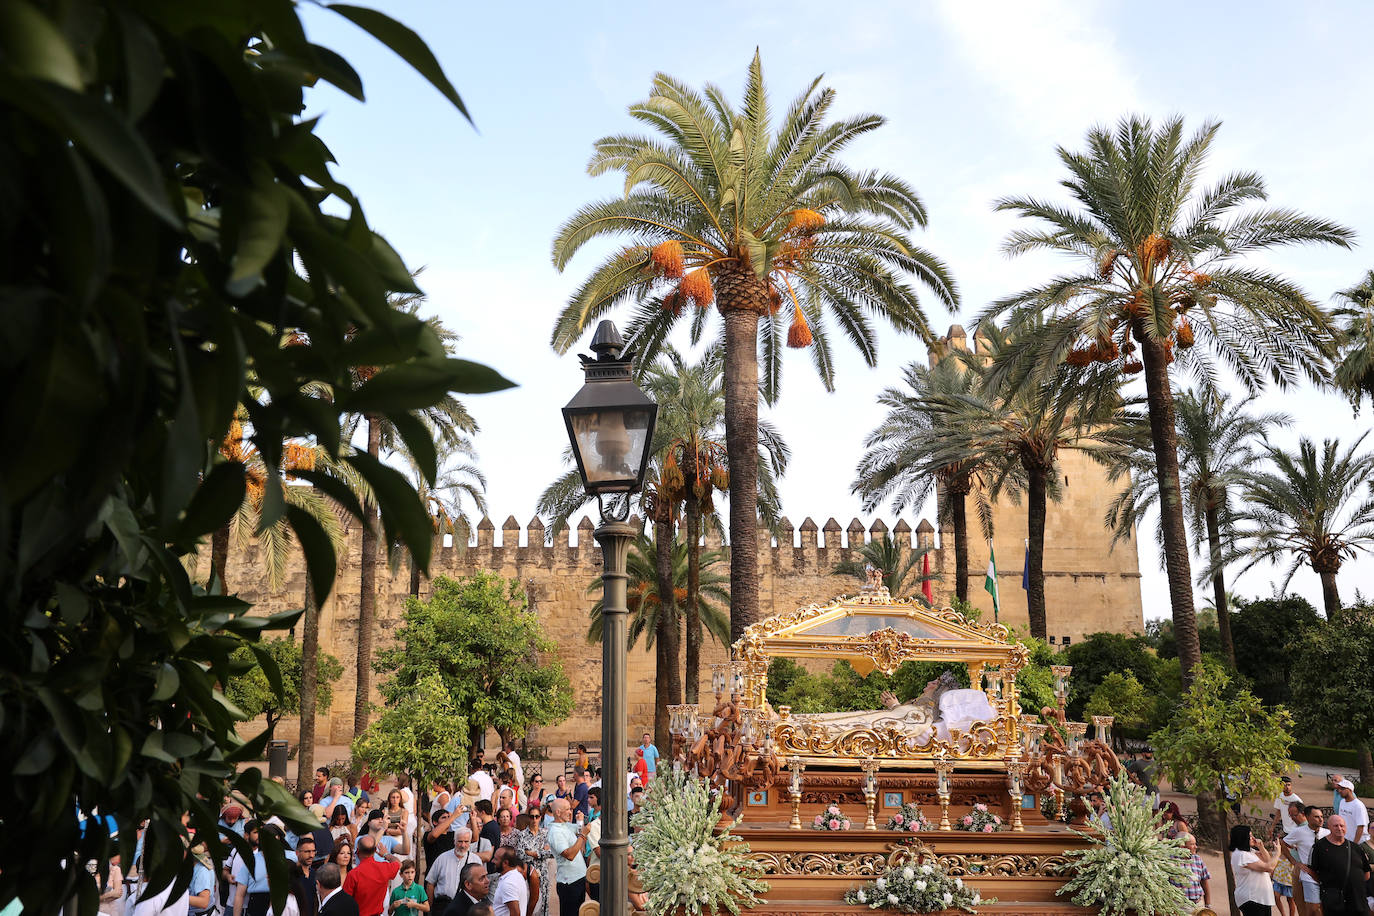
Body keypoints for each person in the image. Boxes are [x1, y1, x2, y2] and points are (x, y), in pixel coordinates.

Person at [1310, 815, 1372, 916]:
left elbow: (1366, 874)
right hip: (1335, 903)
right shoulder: (1319, 847)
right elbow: (1313, 872)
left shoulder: (1356, 847)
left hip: (1359, 902)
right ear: (1329, 827)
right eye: (1335, 826)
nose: (1339, 828)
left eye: (1342, 825)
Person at [547, 799, 590, 916]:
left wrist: (580, 822)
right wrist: (583, 835)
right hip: (569, 883)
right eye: (567, 809)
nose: (570, 812)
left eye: (570, 809)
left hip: (578, 879)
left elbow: (579, 829)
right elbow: (570, 855)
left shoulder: (565, 825)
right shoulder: (555, 832)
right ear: (558, 812)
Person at [426, 828, 483, 915]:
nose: (463, 845)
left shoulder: (475, 860)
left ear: (470, 842)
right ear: (454, 841)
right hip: (443, 907)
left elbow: (481, 884)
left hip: (467, 908)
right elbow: (430, 883)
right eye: (460, 841)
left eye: (466, 841)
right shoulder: (442, 858)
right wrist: (430, 909)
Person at [1285, 805, 1329, 914]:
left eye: (1321, 816)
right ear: (1308, 817)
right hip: (1308, 874)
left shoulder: (1328, 833)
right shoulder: (1299, 832)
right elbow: (1283, 843)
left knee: (1324, 907)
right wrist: (1294, 862)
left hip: (1326, 873)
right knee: (1313, 907)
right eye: (1316, 817)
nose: (1321, 819)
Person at [343, 835, 402, 916]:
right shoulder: (384, 868)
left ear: (357, 851)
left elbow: (345, 903)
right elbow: (398, 863)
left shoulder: (353, 874)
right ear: (375, 850)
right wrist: (386, 854)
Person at [1231, 823, 1280, 915]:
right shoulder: (1242, 854)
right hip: (1252, 898)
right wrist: (1278, 852)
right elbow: (1269, 867)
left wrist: (1261, 847)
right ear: (1243, 838)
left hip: (1261, 898)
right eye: (1250, 836)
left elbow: (1267, 860)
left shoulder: (1249, 851)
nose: (1253, 838)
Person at [513, 813, 552, 916]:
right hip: (528, 871)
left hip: (543, 870)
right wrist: (540, 853)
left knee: (543, 900)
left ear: (540, 818)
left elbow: (551, 853)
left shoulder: (545, 833)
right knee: (529, 899)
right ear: (528, 818)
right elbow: (520, 854)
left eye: (537, 816)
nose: (534, 819)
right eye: (532, 816)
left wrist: (533, 853)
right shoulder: (522, 834)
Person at [1173, 833, 1212, 909]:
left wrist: (1208, 904)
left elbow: (1204, 882)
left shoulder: (1197, 859)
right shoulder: (1171, 861)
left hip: (1198, 904)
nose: (1196, 847)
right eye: (1192, 844)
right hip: (1180, 906)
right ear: (1182, 846)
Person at [490, 849, 528, 916]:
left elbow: (515, 913)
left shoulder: (508, 883)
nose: (492, 861)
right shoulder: (515, 876)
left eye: (496, 859)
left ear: (505, 863)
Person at [1336, 779, 1370, 847]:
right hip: (1346, 841)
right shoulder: (1342, 802)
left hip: (1359, 842)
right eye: (1338, 789)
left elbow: (1360, 827)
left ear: (1350, 790)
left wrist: (1354, 845)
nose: (1339, 791)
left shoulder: (1358, 805)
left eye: (1342, 788)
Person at [585, 789, 602, 904]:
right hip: (596, 867)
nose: (588, 800)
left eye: (592, 797)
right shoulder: (594, 823)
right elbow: (599, 853)